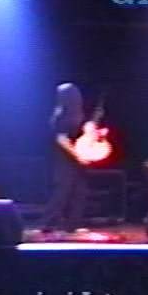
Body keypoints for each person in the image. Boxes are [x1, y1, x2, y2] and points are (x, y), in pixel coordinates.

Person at [40, 82, 91, 233]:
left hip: (77, 157)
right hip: (64, 159)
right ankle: (47, 224)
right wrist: (77, 155)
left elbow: (80, 136)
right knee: (62, 191)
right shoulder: (60, 115)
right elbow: (62, 139)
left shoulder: (78, 115)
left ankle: (72, 225)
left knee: (79, 191)